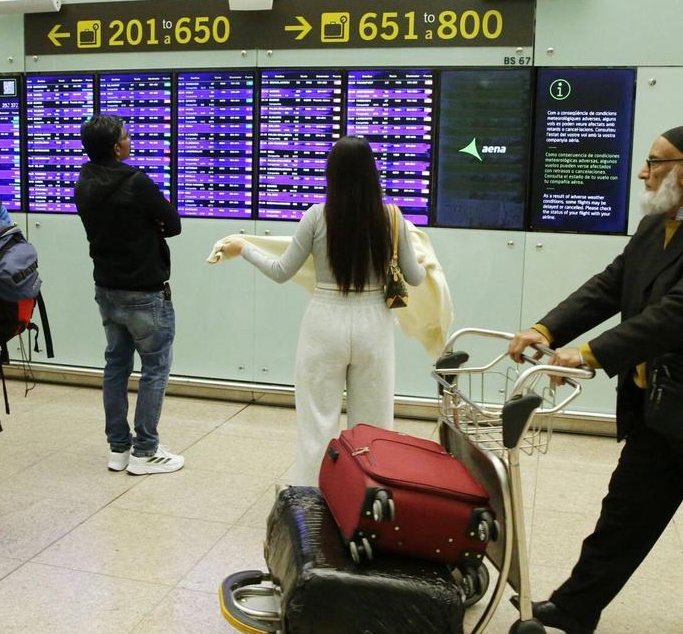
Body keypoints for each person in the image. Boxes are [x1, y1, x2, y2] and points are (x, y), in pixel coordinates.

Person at [507, 124, 683, 634]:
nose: (643, 171)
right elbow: (611, 284)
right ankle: (577, 606)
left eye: (654, 161)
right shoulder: (658, 223)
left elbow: (679, 315)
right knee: (628, 508)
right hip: (662, 399)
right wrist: (547, 329)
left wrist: (588, 353)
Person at [220, 136, 425, 485]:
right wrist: (418, 256)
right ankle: (366, 499)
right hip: (374, 322)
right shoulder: (392, 218)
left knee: (317, 421)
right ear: (371, 173)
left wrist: (245, 248)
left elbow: (281, 271)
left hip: (324, 321)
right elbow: (416, 279)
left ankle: (313, 499)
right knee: (372, 425)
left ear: (331, 173)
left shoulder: (316, 216)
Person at [75, 114, 184, 476]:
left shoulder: (85, 180)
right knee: (154, 369)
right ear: (116, 146)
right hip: (145, 293)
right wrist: (149, 225)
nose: (130, 138)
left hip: (106, 289)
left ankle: (118, 449)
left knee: (116, 366)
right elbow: (173, 223)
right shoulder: (136, 181)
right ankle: (146, 450)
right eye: (126, 135)